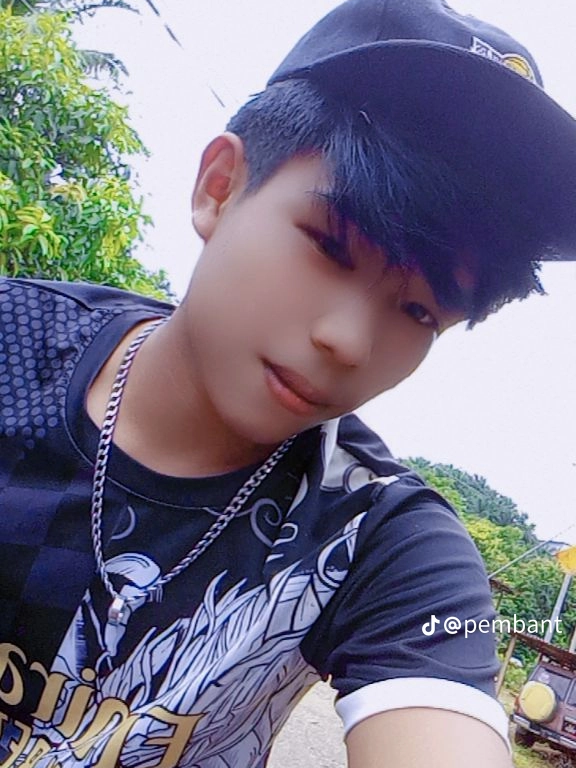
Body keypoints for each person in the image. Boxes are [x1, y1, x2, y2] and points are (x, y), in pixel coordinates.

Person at [1, 0, 575, 766]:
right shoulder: (12, 344)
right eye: (330, 246)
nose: (349, 341)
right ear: (219, 186)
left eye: (418, 310)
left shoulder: (381, 541)